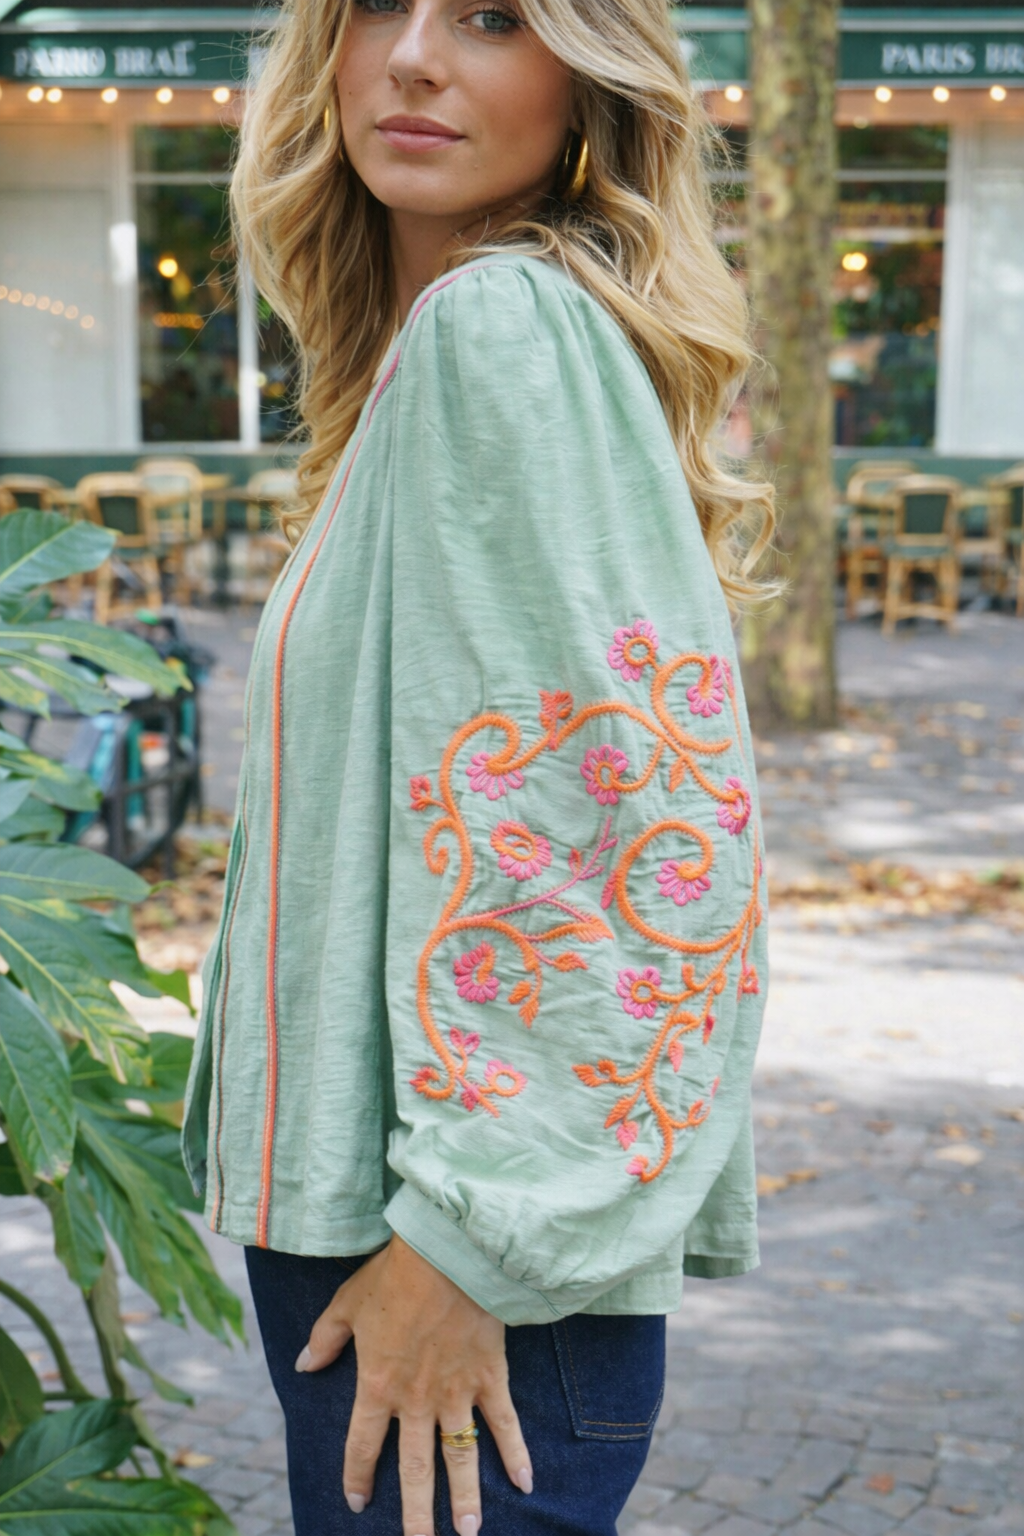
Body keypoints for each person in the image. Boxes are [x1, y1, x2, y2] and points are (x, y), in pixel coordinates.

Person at [182, 0, 775, 1531]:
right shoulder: (452, 339)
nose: (415, 56)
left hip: (456, 1257)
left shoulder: (498, 326)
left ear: (589, 83)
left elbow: (626, 815)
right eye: (381, 5)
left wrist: (469, 1244)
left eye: (496, 17)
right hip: (426, 1227)